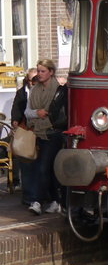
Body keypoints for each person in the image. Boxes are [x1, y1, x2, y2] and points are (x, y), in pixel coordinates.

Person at [15, 59, 68, 215]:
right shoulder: (34, 90)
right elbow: (27, 111)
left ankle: (36, 201)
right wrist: (37, 113)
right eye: (38, 71)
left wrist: (42, 115)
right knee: (49, 169)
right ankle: (56, 201)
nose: (39, 74)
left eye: (43, 71)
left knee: (42, 167)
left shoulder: (58, 90)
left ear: (51, 72)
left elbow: (57, 113)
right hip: (37, 132)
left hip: (53, 133)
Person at [9, 68, 38, 206]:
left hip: (40, 131)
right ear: (27, 80)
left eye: (36, 79)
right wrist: (15, 120)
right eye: (32, 80)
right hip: (26, 129)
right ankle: (27, 195)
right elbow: (17, 109)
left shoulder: (41, 92)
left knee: (40, 165)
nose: (34, 82)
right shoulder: (22, 93)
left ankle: (39, 195)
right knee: (24, 159)